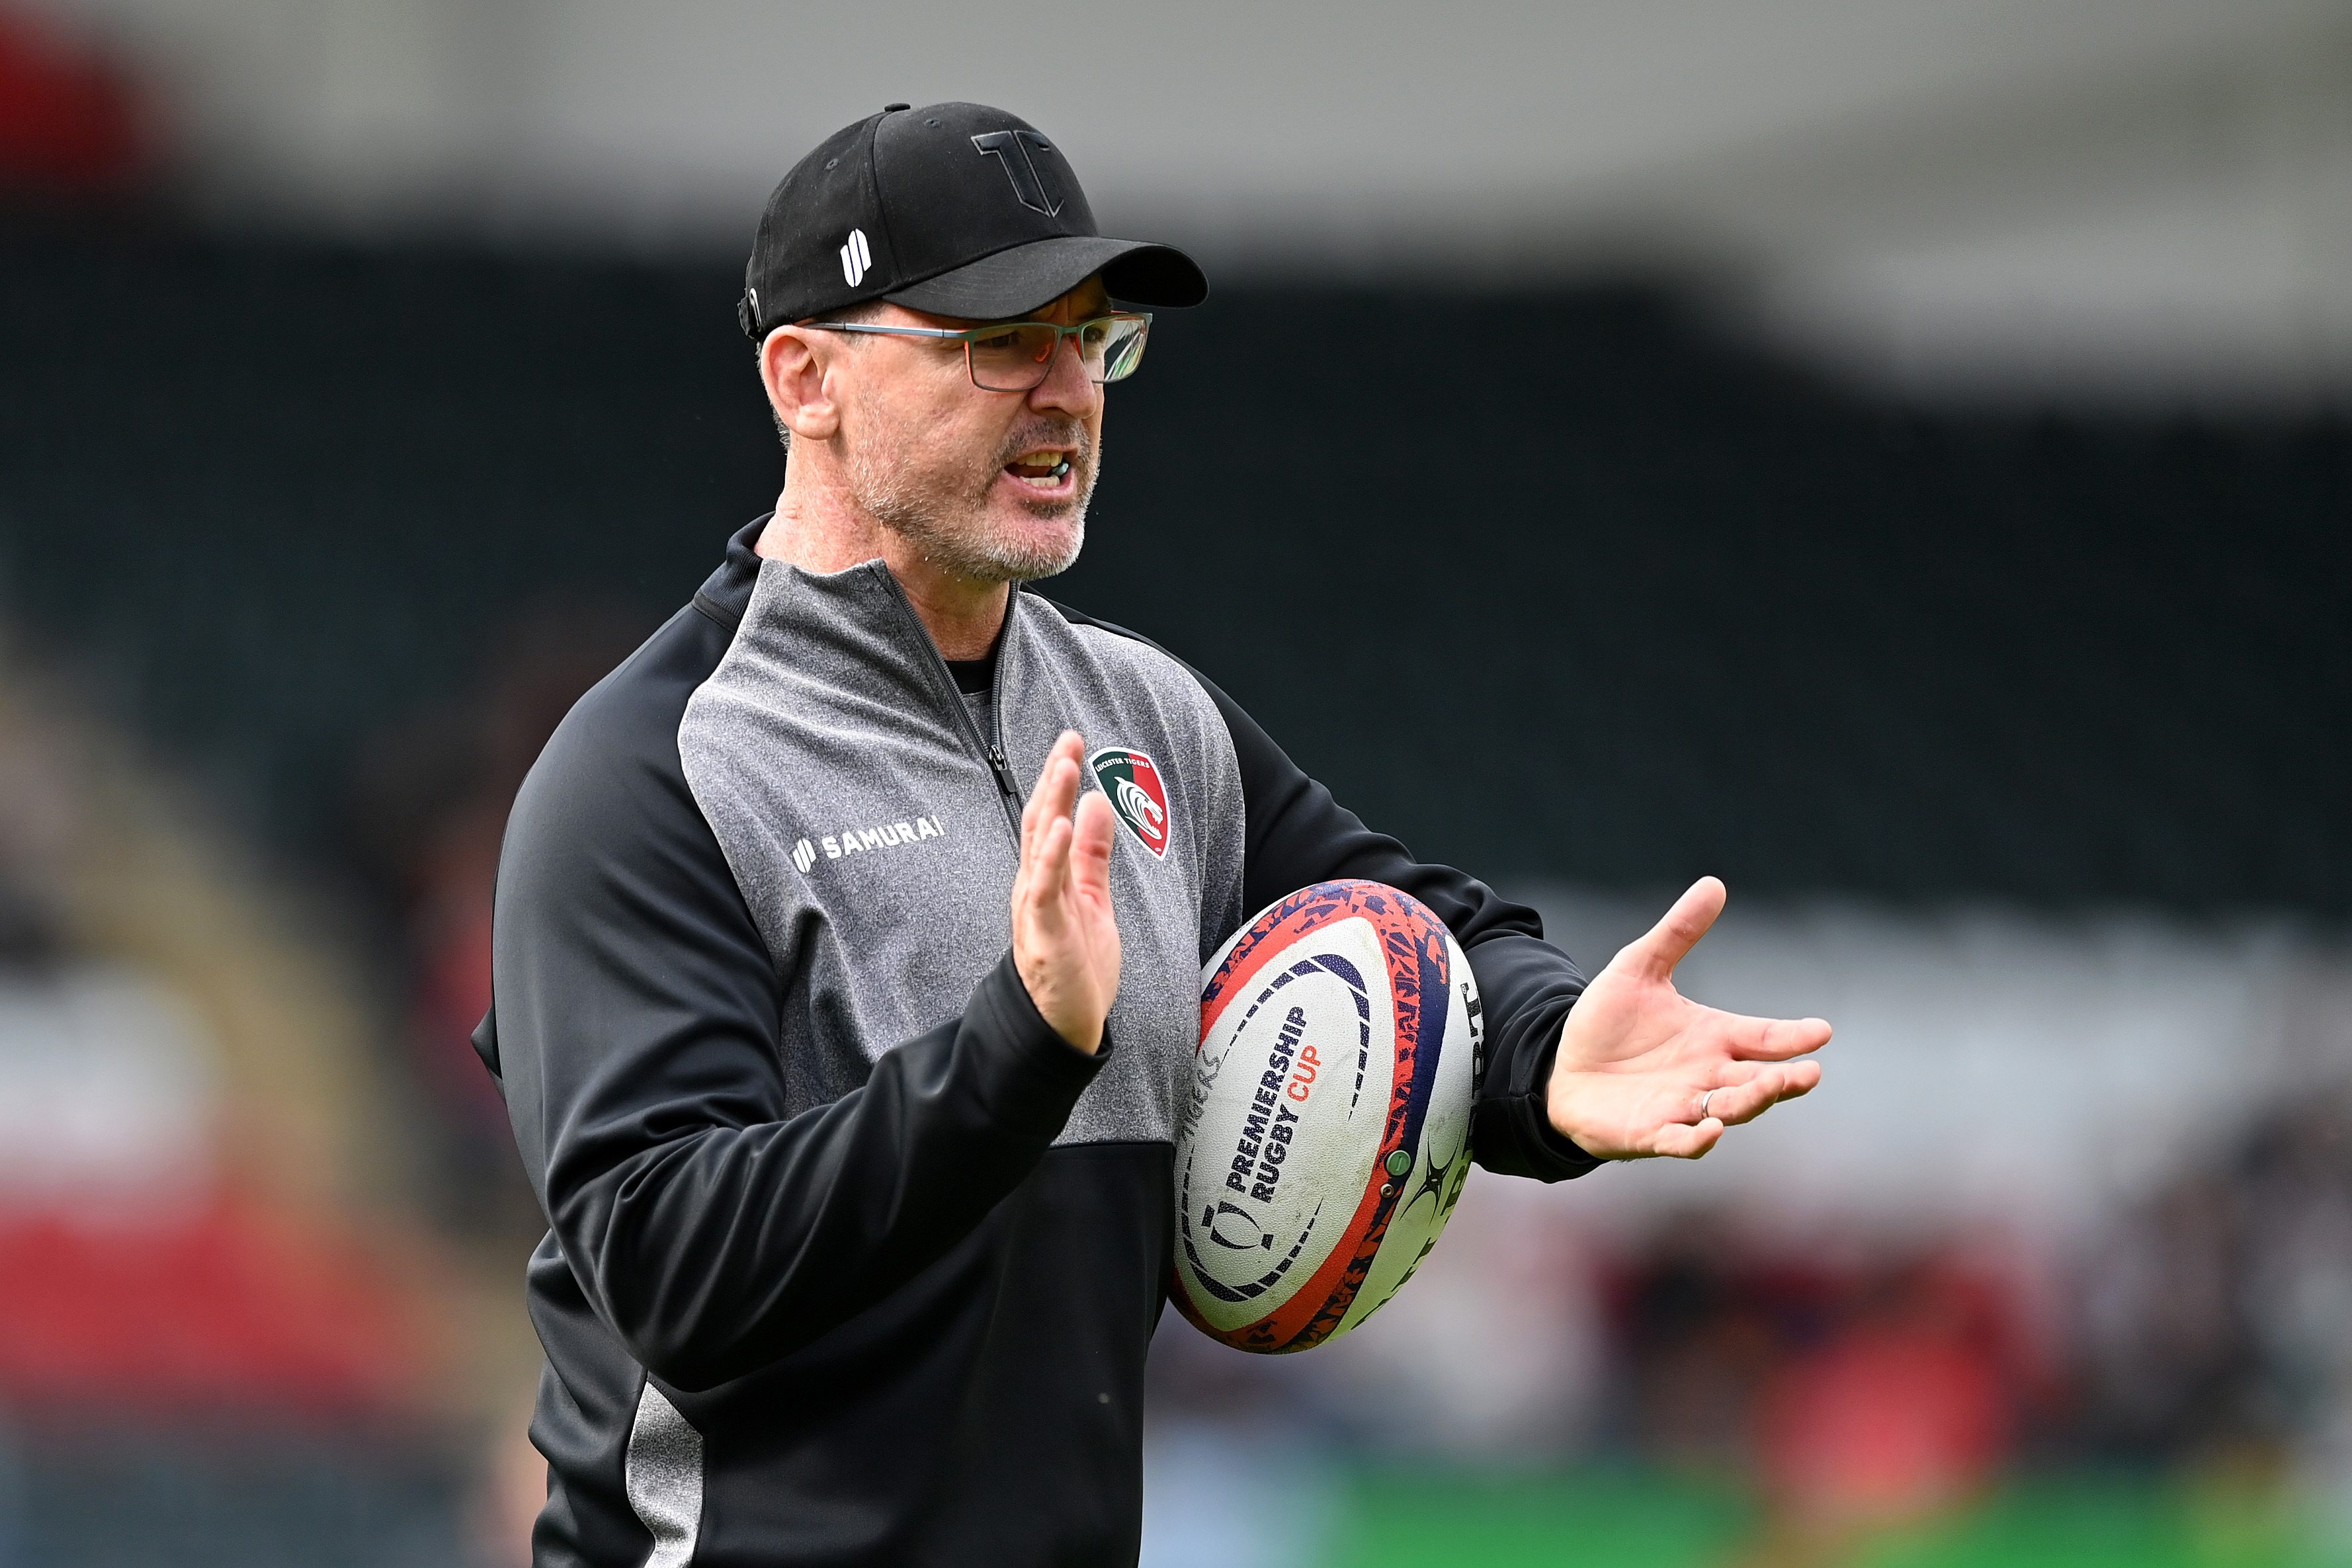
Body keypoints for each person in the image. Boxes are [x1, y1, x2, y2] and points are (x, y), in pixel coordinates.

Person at [480, 101, 1829, 1568]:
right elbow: (669, 1270)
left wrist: (1542, 1051)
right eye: (1002, 339)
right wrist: (1015, 1047)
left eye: (1094, 338)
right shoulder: (648, 773)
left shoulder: (1146, 715)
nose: (1066, 391)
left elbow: (1413, 925)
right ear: (805, 377)